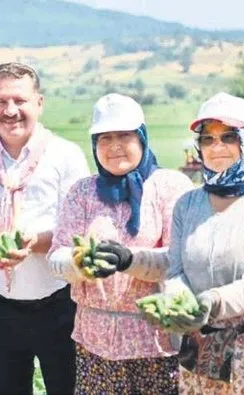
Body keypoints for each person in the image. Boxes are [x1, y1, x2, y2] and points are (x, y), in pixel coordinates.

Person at [101, 92, 244, 393]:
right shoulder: (189, 204)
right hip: (202, 342)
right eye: (208, 139)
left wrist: (208, 303)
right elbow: (176, 267)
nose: (217, 147)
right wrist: (179, 302)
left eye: (228, 137)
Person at [0, 62, 90, 394]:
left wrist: (36, 242)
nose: (11, 111)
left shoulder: (66, 156)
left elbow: (78, 230)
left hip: (61, 304)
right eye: (1, 102)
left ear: (39, 103)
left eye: (20, 101)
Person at [47, 93, 193, 393]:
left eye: (124, 136)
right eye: (105, 137)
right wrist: (79, 264)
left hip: (155, 343)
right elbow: (56, 256)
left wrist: (129, 259)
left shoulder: (170, 186)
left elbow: (181, 258)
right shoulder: (83, 193)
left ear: (141, 137)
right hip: (95, 344)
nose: (114, 146)